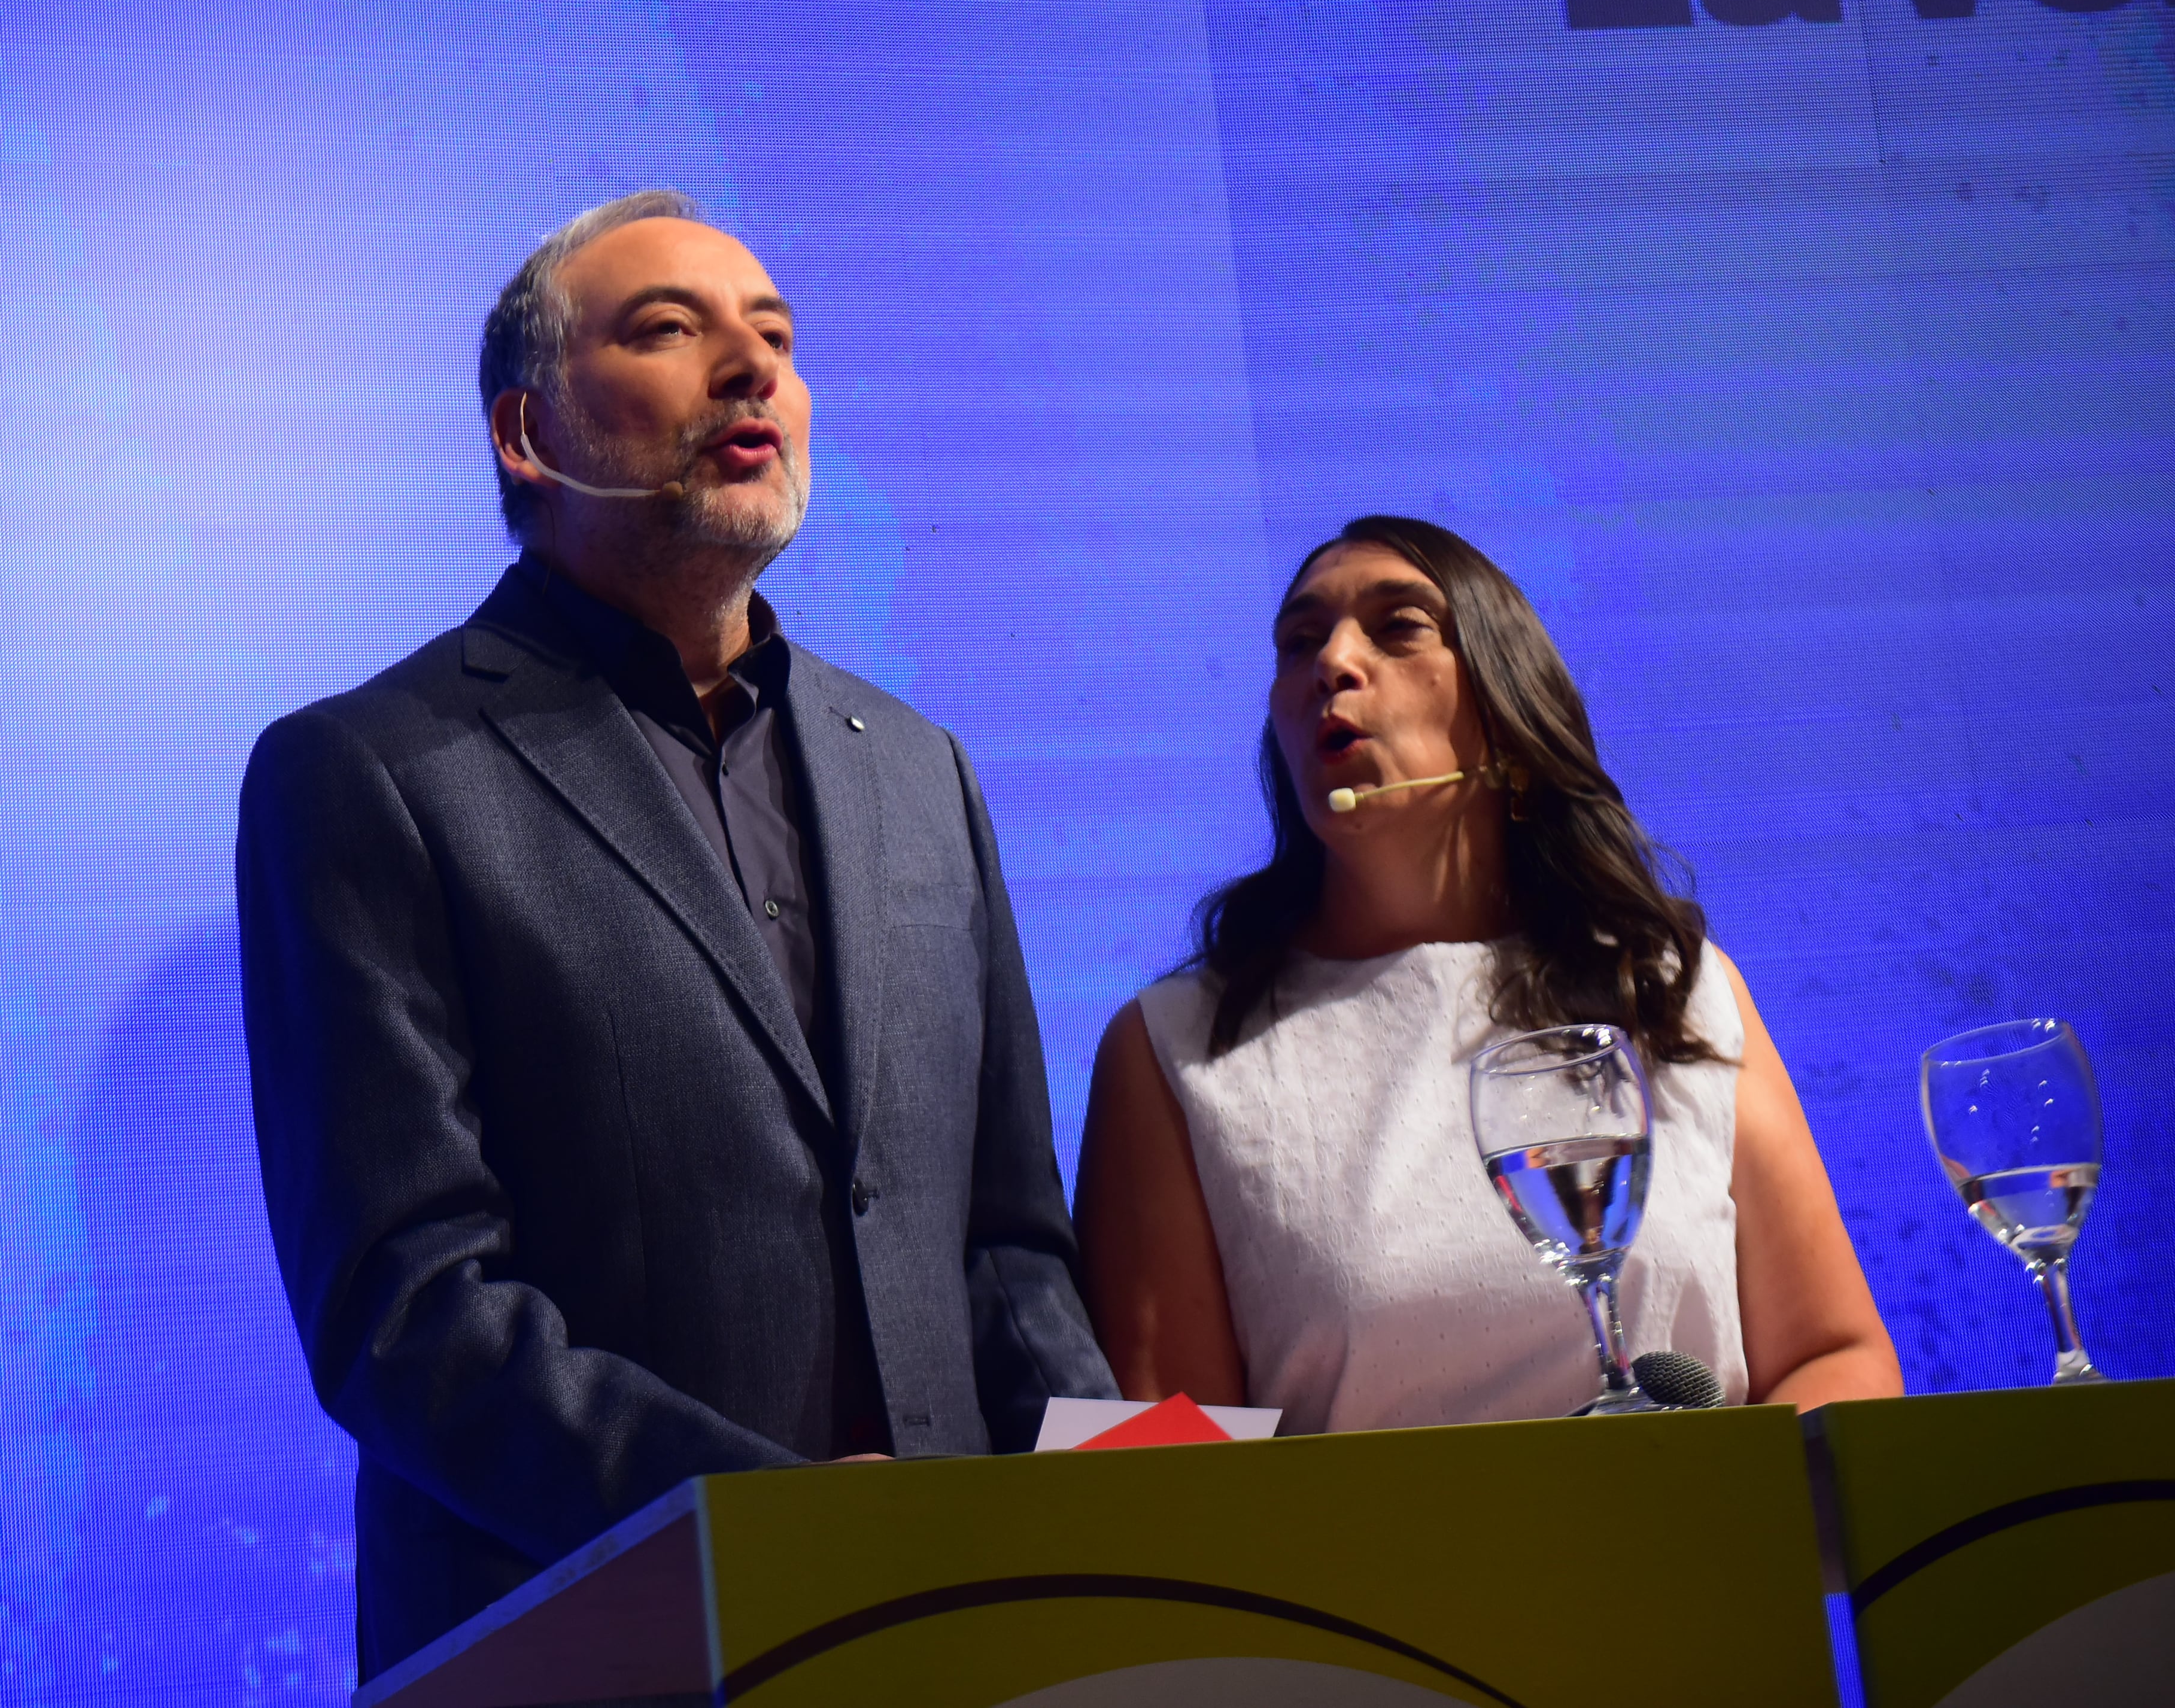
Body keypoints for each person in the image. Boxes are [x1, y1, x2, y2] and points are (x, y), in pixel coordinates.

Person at [238, 190, 1112, 1678]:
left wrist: (1122, 1518)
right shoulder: (370, 771)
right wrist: (772, 1527)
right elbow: (409, 1312)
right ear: (530, 432)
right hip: (594, 1647)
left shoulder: (918, 768)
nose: (750, 367)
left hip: (961, 1643)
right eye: (669, 329)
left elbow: (1011, 1254)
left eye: (774, 337)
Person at [1074, 515, 1899, 1433]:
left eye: (1398, 627)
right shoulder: (1176, 1049)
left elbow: (1840, 1356)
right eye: (1300, 642)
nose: (1333, 663)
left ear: (1509, 713)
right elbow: (1176, 1467)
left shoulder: (1672, 987)